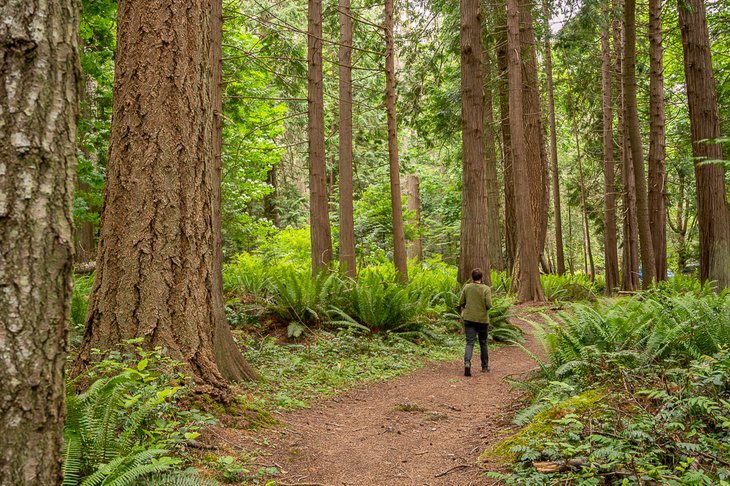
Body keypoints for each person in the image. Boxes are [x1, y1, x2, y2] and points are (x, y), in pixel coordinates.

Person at [457, 268, 492, 376]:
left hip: (469, 319)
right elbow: (489, 305)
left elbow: (461, 302)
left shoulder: (467, 287)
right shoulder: (486, 289)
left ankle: (467, 363)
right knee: (483, 343)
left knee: (469, 342)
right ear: (481, 277)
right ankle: (485, 367)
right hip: (482, 320)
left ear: (472, 277)